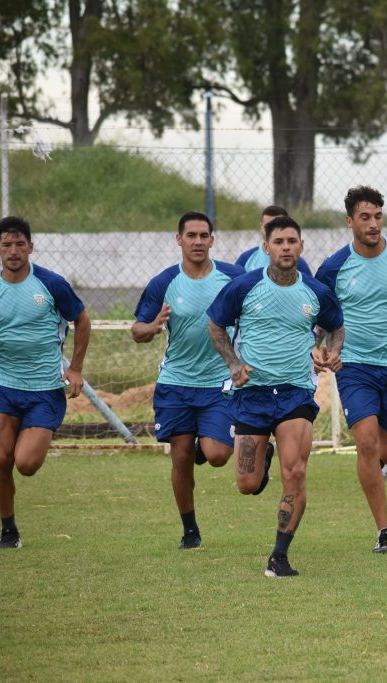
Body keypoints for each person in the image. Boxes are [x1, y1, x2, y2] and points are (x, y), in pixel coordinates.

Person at [207, 215, 344, 577]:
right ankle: (262, 455)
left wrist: (332, 351)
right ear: (266, 247)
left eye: (292, 241)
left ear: (301, 246)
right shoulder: (244, 286)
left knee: (295, 472)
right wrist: (233, 363)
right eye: (279, 242)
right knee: (247, 484)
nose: (286, 247)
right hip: (252, 393)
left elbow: (336, 327)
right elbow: (215, 324)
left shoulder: (316, 292)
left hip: (295, 393)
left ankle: (279, 556)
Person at [316, 186, 387, 553]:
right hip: (355, 366)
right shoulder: (334, 267)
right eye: (364, 217)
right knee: (366, 442)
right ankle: (384, 530)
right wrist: (317, 347)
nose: (372, 224)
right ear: (349, 221)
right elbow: (317, 314)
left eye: (377, 217)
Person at [0, 216, 91, 549]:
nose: (14, 251)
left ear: (31, 247)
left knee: (26, 464)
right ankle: (9, 532)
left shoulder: (51, 284)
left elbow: (82, 319)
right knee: (1, 460)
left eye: (20, 244)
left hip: (44, 389)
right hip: (3, 387)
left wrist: (75, 369)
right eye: (7, 244)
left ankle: (33, 431)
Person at [132, 211, 245, 550]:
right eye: (191, 235)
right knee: (180, 458)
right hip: (176, 383)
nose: (198, 241)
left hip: (219, 382)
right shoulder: (164, 282)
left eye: (203, 235)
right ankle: (190, 530)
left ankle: (206, 442)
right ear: (179, 239)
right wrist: (152, 327)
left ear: (212, 240)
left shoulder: (233, 277)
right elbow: (137, 329)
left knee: (217, 455)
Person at [235, 205, 312, 277]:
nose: (272, 230)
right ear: (261, 227)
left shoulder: (299, 264)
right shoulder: (246, 258)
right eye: (268, 226)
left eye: (278, 225)